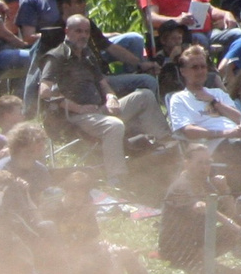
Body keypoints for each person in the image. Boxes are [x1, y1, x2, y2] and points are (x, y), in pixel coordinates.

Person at [38, 15, 171, 186]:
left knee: (144, 95)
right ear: (67, 31)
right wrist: (78, 108)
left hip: (99, 110)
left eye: (86, 31)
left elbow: (103, 83)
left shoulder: (86, 55)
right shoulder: (57, 56)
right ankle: (116, 178)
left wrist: (111, 97)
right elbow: (45, 91)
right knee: (114, 126)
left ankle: (166, 145)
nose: (83, 35)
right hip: (75, 116)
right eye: (78, 31)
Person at [158, 143, 241, 272]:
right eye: (200, 163)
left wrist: (225, 189)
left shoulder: (204, 184)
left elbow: (232, 212)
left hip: (196, 241)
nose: (204, 167)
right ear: (187, 163)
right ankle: (199, 264)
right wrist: (230, 224)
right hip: (175, 249)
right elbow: (200, 207)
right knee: (232, 228)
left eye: (207, 162)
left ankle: (203, 262)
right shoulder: (181, 185)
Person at [166, 45, 241, 151]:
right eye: (195, 67)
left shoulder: (217, 93)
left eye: (203, 67)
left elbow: (239, 118)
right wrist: (225, 133)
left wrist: (214, 102)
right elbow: (189, 131)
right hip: (215, 147)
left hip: (239, 139)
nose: (200, 71)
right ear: (183, 71)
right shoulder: (179, 99)